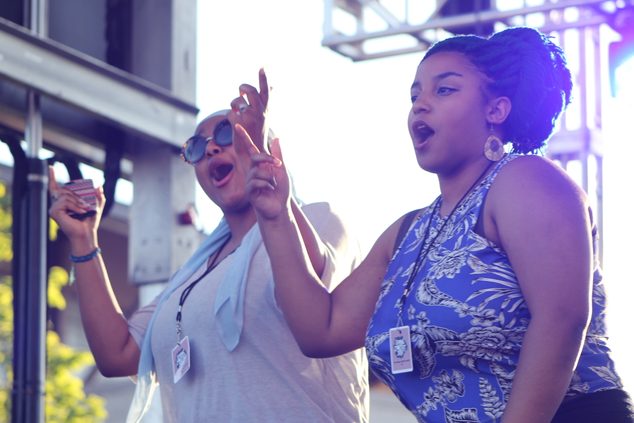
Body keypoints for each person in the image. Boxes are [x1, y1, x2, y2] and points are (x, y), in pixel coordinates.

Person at [240, 28, 634, 422]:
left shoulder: (525, 180)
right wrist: (277, 215)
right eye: (415, 96)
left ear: (495, 110)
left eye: (443, 90)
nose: (420, 106)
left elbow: (562, 320)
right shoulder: (407, 233)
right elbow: (321, 330)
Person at [48, 70, 369, 422]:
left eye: (228, 133)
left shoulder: (319, 218)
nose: (211, 147)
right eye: (197, 148)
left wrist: (265, 168)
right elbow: (117, 354)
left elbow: (312, 280)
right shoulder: (192, 277)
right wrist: (83, 238)